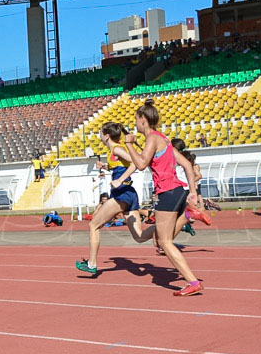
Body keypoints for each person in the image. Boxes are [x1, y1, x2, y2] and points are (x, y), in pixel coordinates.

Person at [123, 100, 203, 296]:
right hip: (178, 191)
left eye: (136, 120)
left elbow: (141, 164)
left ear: (143, 120)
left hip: (166, 193)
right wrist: (192, 192)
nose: (135, 124)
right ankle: (188, 215)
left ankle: (192, 282)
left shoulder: (152, 139)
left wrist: (129, 145)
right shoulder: (164, 139)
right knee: (160, 241)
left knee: (165, 243)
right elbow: (186, 164)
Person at [75, 123, 140, 274]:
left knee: (93, 225)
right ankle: (170, 228)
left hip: (121, 193)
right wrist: (105, 166)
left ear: (106, 135)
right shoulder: (115, 149)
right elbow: (121, 165)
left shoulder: (117, 148)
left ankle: (91, 264)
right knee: (139, 236)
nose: (99, 134)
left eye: (100, 132)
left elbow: (136, 163)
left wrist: (119, 180)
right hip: (129, 193)